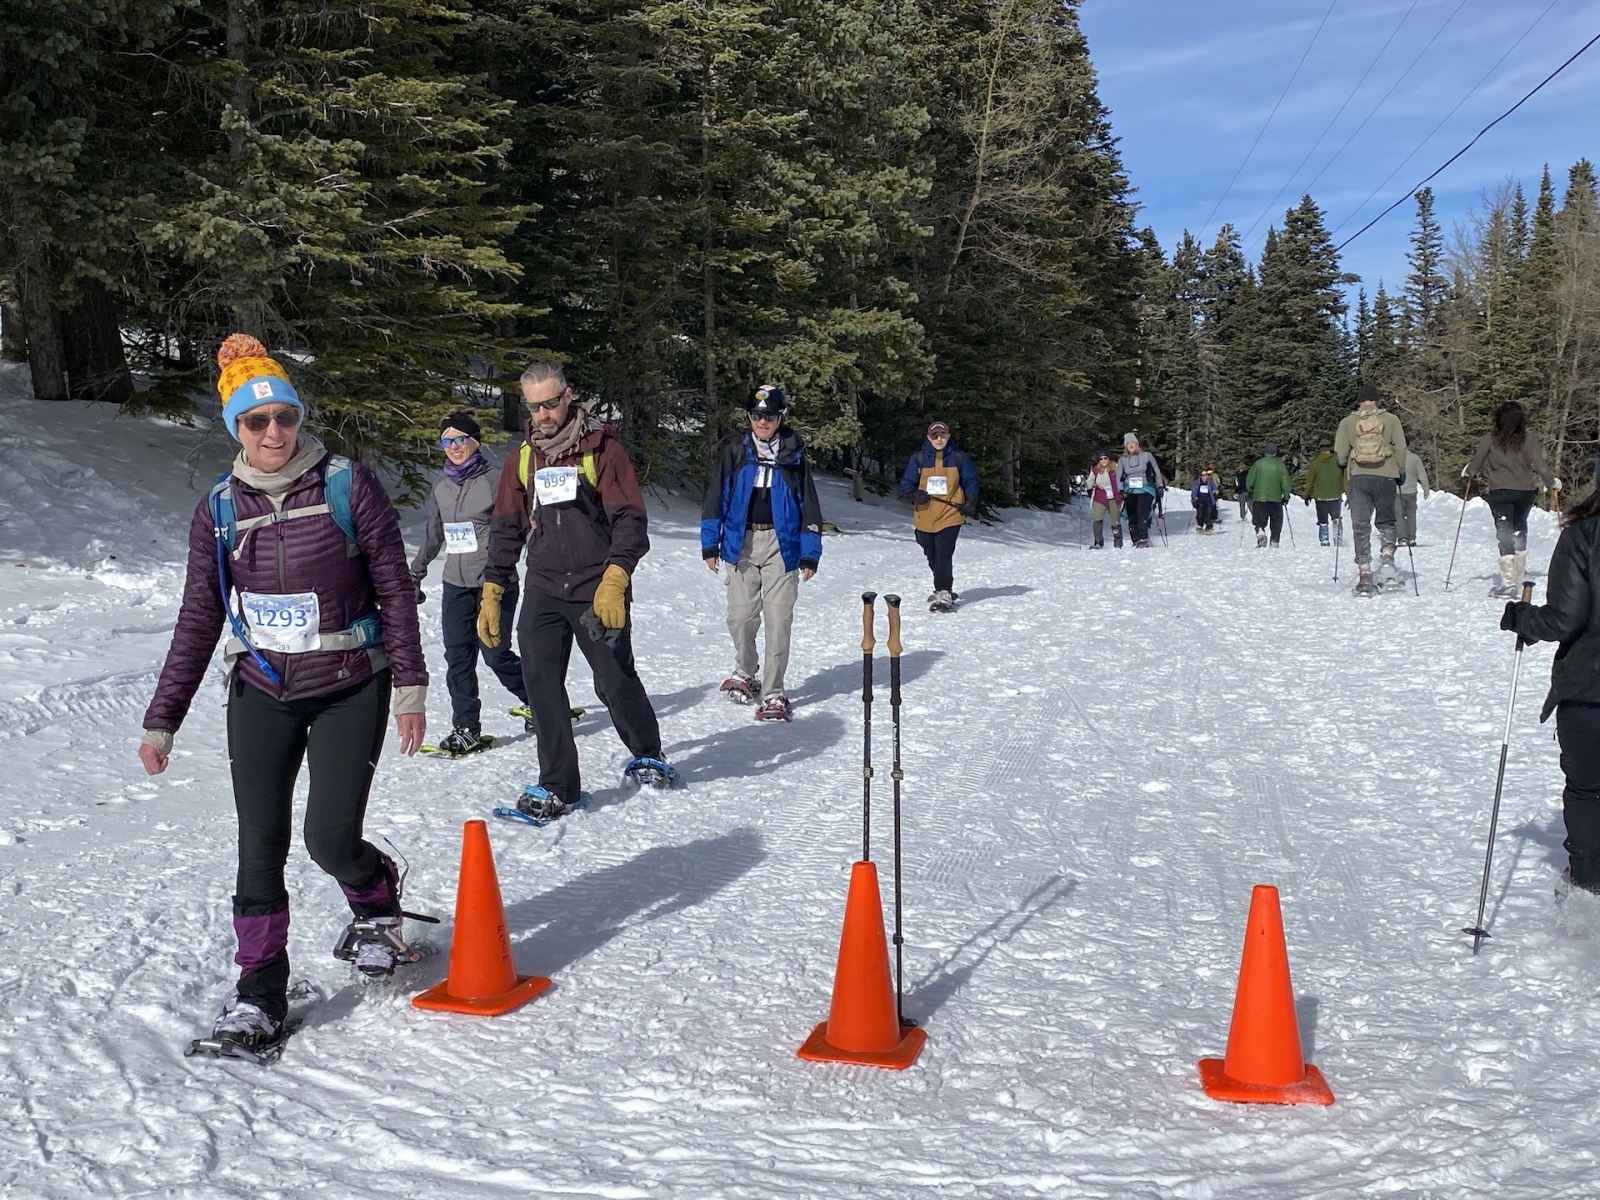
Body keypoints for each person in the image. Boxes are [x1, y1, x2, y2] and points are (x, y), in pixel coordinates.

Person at [139, 334, 428, 1056]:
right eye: (256, 420)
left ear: (299, 418)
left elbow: (395, 589)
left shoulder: (346, 486)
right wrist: (163, 718)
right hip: (261, 688)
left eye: (285, 417)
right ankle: (259, 991)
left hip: (348, 683)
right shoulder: (218, 510)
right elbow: (199, 617)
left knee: (328, 838)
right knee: (258, 847)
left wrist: (411, 686)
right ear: (235, 427)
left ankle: (376, 902)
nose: (274, 432)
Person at [482, 363, 676, 819]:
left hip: (596, 586)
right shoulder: (523, 459)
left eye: (551, 403)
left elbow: (630, 519)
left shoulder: (601, 450)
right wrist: (492, 586)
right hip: (544, 586)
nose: (543, 414)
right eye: (534, 406)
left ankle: (648, 753)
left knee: (613, 678)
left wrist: (616, 577)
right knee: (541, 685)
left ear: (568, 396)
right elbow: (506, 527)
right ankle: (559, 786)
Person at [1499, 480, 1600, 900]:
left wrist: (1522, 618)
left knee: (1587, 790)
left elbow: (1564, 619)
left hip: (1589, 692)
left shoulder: (1583, 536)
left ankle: (1587, 886)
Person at [410, 412, 531, 756]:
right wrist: (415, 572)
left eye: (460, 439)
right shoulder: (441, 486)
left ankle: (540, 701)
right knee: (458, 657)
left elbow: (514, 528)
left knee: (495, 653)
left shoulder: (495, 481)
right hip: (455, 583)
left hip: (494, 582)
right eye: (446, 441)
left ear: (475, 442)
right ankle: (466, 728)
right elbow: (434, 534)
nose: (453, 447)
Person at [702, 384, 823, 721]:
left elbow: (809, 504)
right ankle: (746, 672)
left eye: (769, 416)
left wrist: (810, 552)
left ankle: (774, 692)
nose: (763, 421)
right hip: (741, 543)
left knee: (778, 619)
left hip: (782, 545)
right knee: (741, 617)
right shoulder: (736, 452)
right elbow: (715, 498)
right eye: (757, 415)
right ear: (749, 417)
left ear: (780, 418)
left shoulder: (793, 455)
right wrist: (710, 543)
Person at [1464, 401, 1560, 596]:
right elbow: (1541, 466)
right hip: (1525, 492)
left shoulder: (1489, 439)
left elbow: (1476, 464)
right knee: (1519, 527)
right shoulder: (1529, 440)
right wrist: (1552, 482)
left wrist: (1468, 471)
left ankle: (1509, 582)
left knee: (1505, 531)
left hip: (1500, 491)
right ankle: (1519, 571)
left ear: (1498, 418)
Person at [1334, 381, 1407, 595]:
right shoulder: (1391, 420)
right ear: (1377, 400)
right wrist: (1400, 470)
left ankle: (1365, 573)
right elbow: (1401, 447)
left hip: (1359, 477)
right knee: (1387, 521)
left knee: (1361, 525)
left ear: (1359, 401)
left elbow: (1340, 454)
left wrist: (1344, 464)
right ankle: (1387, 559)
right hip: (1386, 476)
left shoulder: (1348, 422)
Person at [899, 421, 979, 611]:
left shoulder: (959, 458)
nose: (939, 439)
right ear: (929, 437)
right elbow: (905, 485)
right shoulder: (918, 459)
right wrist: (914, 494)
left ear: (948, 436)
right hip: (925, 515)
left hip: (950, 514)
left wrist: (971, 501)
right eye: (935, 436)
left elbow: (971, 481)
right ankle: (942, 584)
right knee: (931, 552)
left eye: (942, 435)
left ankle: (944, 591)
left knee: (943, 553)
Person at [1116, 434, 1164, 548]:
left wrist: (1160, 486)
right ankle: (1135, 539)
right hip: (1130, 490)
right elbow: (1119, 477)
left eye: (1133, 443)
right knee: (1132, 515)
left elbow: (1156, 471)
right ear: (1126, 446)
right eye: (1128, 444)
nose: (1131, 445)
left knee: (1142, 512)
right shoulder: (1123, 460)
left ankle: (1143, 538)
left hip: (1146, 488)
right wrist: (1121, 490)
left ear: (1137, 444)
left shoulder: (1147, 456)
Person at [1245, 442, 1291, 548]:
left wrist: (1250, 490)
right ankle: (1274, 541)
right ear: (1276, 452)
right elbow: (1286, 482)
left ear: (1265, 451)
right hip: (1276, 499)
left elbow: (1250, 481)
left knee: (1259, 520)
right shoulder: (1280, 465)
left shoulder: (1258, 464)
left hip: (1260, 498)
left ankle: (1261, 532)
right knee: (1276, 523)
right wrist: (1286, 496)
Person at [1301, 441, 1345, 547]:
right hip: (1335, 495)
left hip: (1320, 497)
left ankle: (1324, 540)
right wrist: (1347, 491)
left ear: (1320, 449)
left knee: (1323, 520)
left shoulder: (1315, 464)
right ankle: (1338, 537)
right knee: (1336, 518)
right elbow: (1343, 478)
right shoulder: (1338, 462)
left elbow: (1310, 481)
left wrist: (1307, 494)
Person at [1396, 447, 1431, 547]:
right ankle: (1411, 538)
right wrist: (1426, 488)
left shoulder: (1394, 458)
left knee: (1398, 515)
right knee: (1411, 515)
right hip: (1411, 491)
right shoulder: (1415, 458)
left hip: (1397, 491)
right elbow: (1422, 475)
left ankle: (1402, 538)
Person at [1087, 449, 1123, 548]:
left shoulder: (1116, 467)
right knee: (1097, 518)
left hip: (1114, 496)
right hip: (1100, 496)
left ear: (1109, 458)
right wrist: (1087, 486)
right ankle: (1098, 541)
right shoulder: (1096, 469)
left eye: (1105, 458)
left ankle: (1118, 542)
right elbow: (1090, 481)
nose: (1103, 460)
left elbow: (1122, 479)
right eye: (1101, 458)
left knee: (1115, 520)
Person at [1190, 463, 1221, 534]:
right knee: (1200, 515)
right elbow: (1194, 490)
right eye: (1203, 475)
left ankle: (1209, 528)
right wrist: (1194, 497)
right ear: (1201, 476)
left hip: (1209, 500)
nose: (1205, 476)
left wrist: (1215, 491)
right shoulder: (1197, 482)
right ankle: (1200, 525)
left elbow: (1215, 488)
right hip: (1200, 501)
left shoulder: (1210, 481)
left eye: (1206, 475)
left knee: (1208, 515)